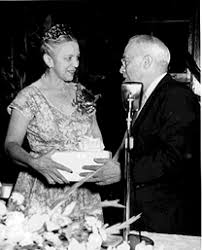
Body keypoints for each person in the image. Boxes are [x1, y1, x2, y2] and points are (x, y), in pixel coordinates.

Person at [82, 34, 201, 235]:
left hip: (164, 220)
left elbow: (175, 157)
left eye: (125, 61)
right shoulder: (146, 96)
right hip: (143, 216)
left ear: (147, 62)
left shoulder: (177, 96)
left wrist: (123, 172)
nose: (121, 69)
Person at [4, 24, 105, 220]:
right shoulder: (28, 97)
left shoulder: (83, 92)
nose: (75, 64)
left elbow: (96, 138)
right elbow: (10, 145)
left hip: (82, 192)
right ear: (48, 60)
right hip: (41, 192)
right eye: (68, 58)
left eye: (77, 57)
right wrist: (34, 162)